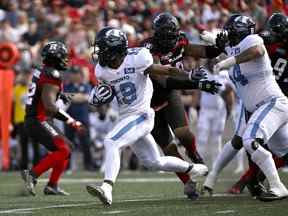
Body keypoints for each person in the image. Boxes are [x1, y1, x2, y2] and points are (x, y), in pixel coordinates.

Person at [86, 27, 209, 206]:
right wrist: (96, 97)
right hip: (127, 118)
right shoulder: (101, 70)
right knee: (154, 162)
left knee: (111, 141)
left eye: (103, 49)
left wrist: (189, 75)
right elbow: (104, 91)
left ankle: (107, 187)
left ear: (114, 50)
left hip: (141, 115)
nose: (99, 53)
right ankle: (193, 168)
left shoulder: (138, 57)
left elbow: (165, 70)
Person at [203, 14, 288, 201]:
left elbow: (256, 51)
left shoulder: (253, 40)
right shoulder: (236, 48)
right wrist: (210, 37)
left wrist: (227, 62)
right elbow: (229, 48)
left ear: (241, 32)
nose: (229, 35)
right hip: (263, 107)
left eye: (232, 32)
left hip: (271, 103)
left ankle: (277, 186)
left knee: (249, 140)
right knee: (285, 152)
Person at [142, 12, 222, 199]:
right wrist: (194, 82)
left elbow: (203, 52)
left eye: (172, 35)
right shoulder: (147, 49)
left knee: (183, 133)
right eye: (165, 35)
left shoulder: (181, 42)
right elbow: (163, 81)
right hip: (147, 102)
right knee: (169, 148)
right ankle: (188, 182)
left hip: (170, 95)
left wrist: (220, 44)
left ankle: (193, 152)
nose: (169, 40)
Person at [226, 13, 288, 195]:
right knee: (255, 141)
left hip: (277, 97)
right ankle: (252, 180)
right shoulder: (264, 42)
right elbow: (257, 44)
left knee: (260, 142)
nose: (273, 34)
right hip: (264, 96)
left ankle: (251, 180)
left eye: (277, 31)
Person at [21, 41, 84, 196]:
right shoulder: (52, 75)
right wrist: (71, 121)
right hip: (38, 119)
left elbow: (43, 93)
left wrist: (60, 95)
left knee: (67, 148)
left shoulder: (42, 70)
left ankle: (52, 185)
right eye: (63, 57)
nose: (66, 59)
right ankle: (32, 174)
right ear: (55, 58)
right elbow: (49, 105)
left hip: (36, 119)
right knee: (64, 149)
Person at [64, 66, 93, 171]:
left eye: (76, 73)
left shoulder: (86, 85)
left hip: (82, 119)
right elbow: (64, 96)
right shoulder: (66, 86)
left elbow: (86, 97)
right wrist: (78, 97)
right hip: (69, 118)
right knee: (68, 143)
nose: (74, 76)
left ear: (80, 75)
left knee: (86, 143)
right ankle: (66, 166)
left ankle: (88, 165)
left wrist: (72, 97)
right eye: (72, 73)